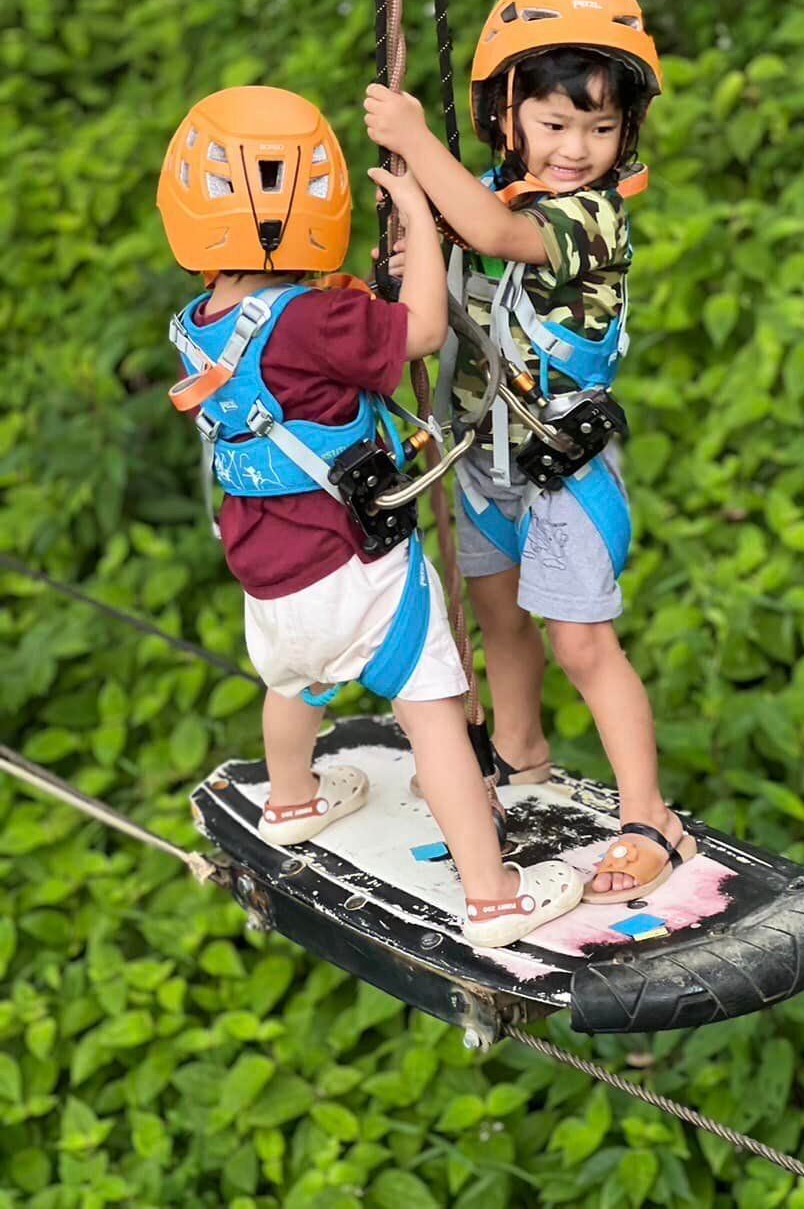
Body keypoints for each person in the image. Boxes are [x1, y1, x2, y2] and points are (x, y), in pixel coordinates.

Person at [157, 84, 582, 946]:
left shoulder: (198, 324)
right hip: (360, 570)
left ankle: (290, 800)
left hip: (269, 579)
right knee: (435, 718)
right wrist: (421, 221)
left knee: (293, 686)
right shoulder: (323, 317)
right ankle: (493, 893)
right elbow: (420, 330)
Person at [364, 0, 697, 903]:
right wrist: (411, 248)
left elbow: (488, 231)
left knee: (583, 645)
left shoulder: (589, 219)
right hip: (484, 457)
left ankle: (649, 818)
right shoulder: (483, 189)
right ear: (507, 116)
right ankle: (519, 757)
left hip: (563, 467)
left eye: (599, 129)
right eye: (553, 124)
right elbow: (451, 247)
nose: (575, 149)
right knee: (501, 623)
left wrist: (413, 141)